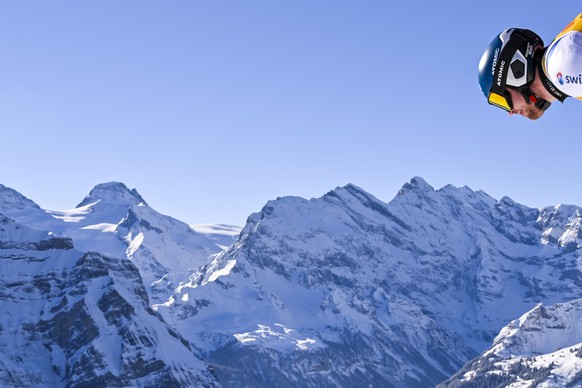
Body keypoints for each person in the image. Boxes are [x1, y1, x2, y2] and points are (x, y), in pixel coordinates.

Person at [478, 13, 582, 120]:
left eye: (502, 101)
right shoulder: (561, 60)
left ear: (516, 72)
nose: (511, 112)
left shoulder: (564, 66)